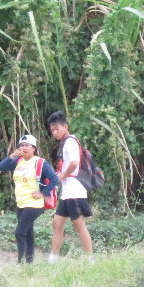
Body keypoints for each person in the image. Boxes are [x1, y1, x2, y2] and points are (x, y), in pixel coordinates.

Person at [0, 134, 59, 264]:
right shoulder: (18, 161)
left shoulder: (40, 162)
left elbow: (54, 179)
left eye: (27, 145)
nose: (24, 148)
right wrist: (13, 155)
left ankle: (20, 263)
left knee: (19, 232)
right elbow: (1, 167)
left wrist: (43, 193)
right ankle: (29, 263)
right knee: (28, 233)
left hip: (34, 204)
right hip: (21, 203)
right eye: (21, 145)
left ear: (34, 148)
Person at [46, 110, 94, 262]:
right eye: (52, 130)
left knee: (79, 225)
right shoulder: (65, 143)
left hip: (74, 191)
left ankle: (90, 260)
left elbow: (74, 163)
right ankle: (52, 260)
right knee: (57, 223)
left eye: (57, 129)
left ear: (65, 126)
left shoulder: (70, 142)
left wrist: (62, 175)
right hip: (67, 192)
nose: (54, 133)